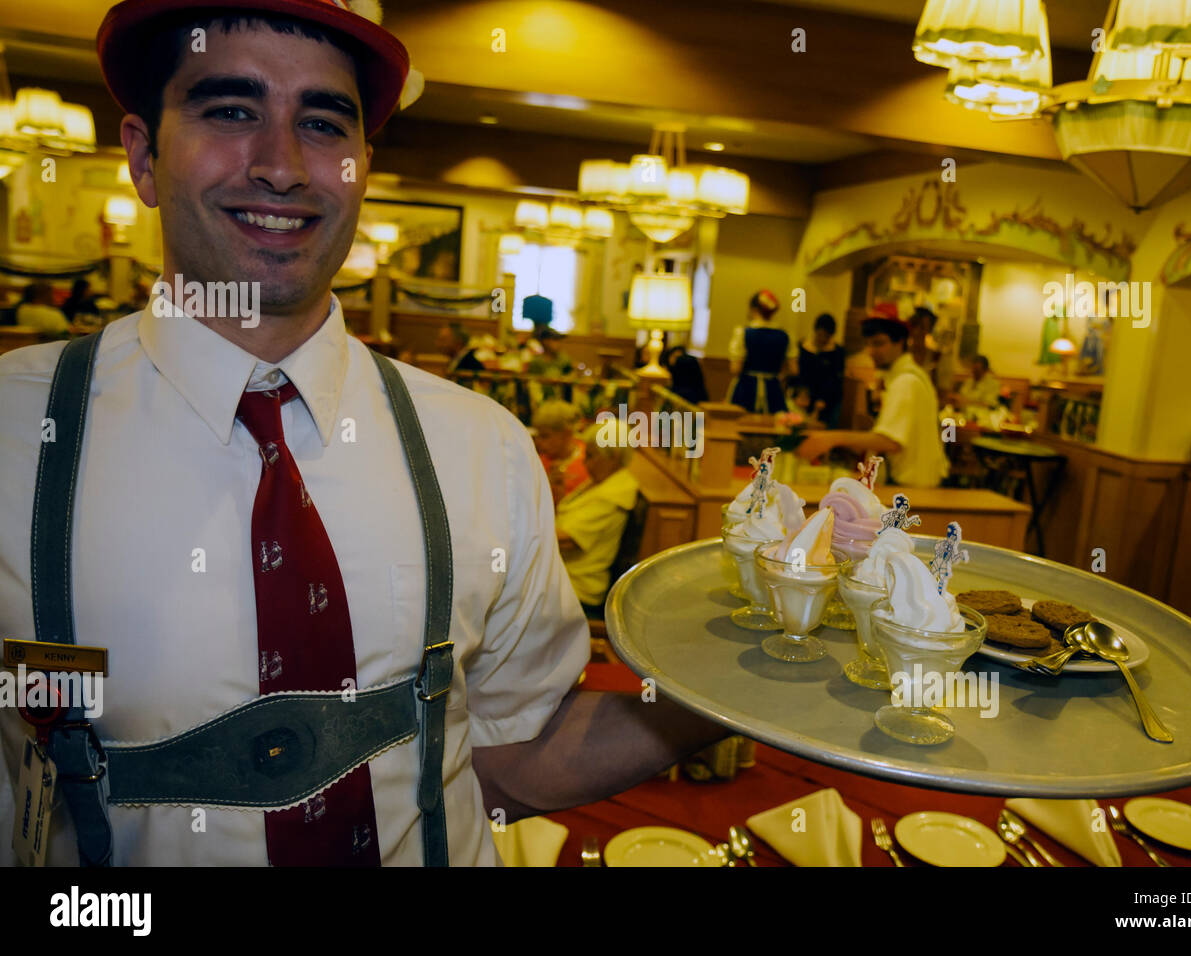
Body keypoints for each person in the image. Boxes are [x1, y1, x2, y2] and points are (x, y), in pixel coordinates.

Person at [0, 0, 727, 868]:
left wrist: (745, 689)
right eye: (230, 111)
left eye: (321, 121)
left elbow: (515, 752)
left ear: (363, 166)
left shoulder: (482, 446)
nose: (280, 165)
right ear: (143, 156)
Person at [796, 313, 949, 487]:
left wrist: (831, 438)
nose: (871, 351)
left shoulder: (906, 381)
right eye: (868, 344)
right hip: (912, 482)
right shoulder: (911, 375)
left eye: (879, 343)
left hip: (909, 486)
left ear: (900, 342)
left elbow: (890, 441)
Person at [555, 422, 639, 619]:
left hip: (577, 588)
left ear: (614, 457)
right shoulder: (602, 481)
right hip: (561, 576)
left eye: (591, 456)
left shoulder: (615, 493)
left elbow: (567, 540)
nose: (585, 462)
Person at [726, 288, 794, 414]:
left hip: (746, 388)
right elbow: (794, 369)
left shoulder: (743, 333)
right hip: (773, 389)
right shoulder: (785, 335)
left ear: (754, 309)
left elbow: (735, 369)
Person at [534, 399, 590, 505]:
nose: (538, 442)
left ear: (566, 434)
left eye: (545, 436)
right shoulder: (537, 462)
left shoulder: (589, 461)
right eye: (538, 436)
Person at [797, 312, 846, 426]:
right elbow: (801, 373)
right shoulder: (805, 348)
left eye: (826, 336)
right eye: (820, 335)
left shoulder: (837, 352)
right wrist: (802, 393)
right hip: (807, 396)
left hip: (829, 398)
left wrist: (823, 400)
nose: (822, 339)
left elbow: (835, 379)